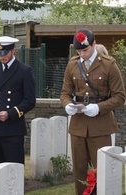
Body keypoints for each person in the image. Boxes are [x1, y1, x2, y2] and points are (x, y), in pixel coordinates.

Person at [60, 29, 126, 195]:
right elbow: (65, 93)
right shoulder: (72, 64)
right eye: (79, 51)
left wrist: (99, 108)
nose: (82, 54)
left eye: (85, 50)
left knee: (101, 170)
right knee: (79, 172)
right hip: (78, 125)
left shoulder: (109, 64)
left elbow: (120, 96)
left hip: (100, 125)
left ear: (94, 44)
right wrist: (67, 104)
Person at [0, 36, 36, 184]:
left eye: (4, 53)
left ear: (13, 51)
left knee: (12, 175)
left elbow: (30, 101)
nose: (1, 57)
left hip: (12, 129)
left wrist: (10, 114)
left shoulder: (24, 71)